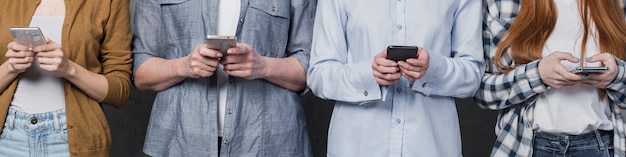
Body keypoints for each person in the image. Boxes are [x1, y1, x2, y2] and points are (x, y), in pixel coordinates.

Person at [132, 0, 316, 156]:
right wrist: (184, 66)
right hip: (179, 141)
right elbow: (141, 72)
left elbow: (311, 68)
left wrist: (263, 66)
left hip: (270, 142)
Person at [307, 0, 484, 156]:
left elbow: (473, 74)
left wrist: (432, 69)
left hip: (430, 147)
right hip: (357, 147)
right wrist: (369, 74)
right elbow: (319, 73)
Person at [476, 0, 626, 156]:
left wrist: (616, 75)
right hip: (527, 147)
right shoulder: (504, 4)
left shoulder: (616, 3)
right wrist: (537, 75)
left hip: (599, 146)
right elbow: (484, 93)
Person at [0, 0, 132, 156]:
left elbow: (120, 91)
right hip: (8, 138)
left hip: (73, 139)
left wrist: (69, 69)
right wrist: (11, 67)